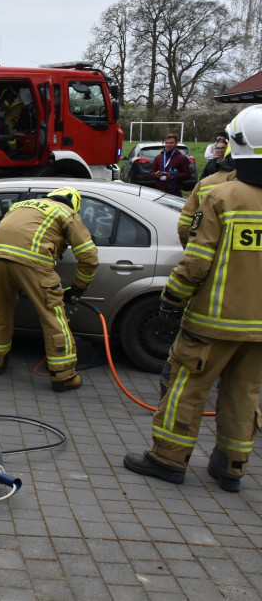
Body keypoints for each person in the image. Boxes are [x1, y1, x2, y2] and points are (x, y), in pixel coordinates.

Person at [123, 105, 262, 493]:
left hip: (214, 321)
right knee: (244, 394)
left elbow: (196, 260)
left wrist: (171, 301)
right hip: (259, 328)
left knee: (187, 387)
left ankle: (167, 459)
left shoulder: (223, 196)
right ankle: (231, 467)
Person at [0, 187, 98, 392]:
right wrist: (78, 288)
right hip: (33, 260)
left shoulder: (20, 205)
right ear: (73, 203)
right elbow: (89, 257)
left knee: (1, 309)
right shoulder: (66, 212)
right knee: (52, 315)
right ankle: (63, 376)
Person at [177, 155, 235, 247]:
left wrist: (191, 249)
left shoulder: (204, 184)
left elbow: (184, 225)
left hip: (205, 249)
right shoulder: (254, 186)